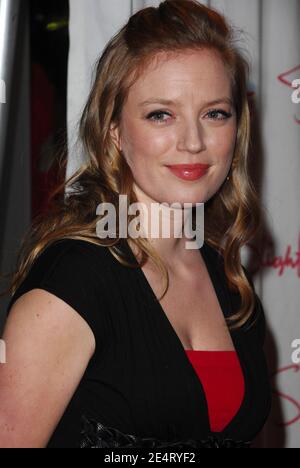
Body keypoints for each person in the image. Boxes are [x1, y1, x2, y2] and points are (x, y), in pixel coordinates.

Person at [0, 0, 272, 448]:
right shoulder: (74, 280)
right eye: (160, 114)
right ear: (114, 132)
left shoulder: (228, 277)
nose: (193, 142)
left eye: (214, 113)